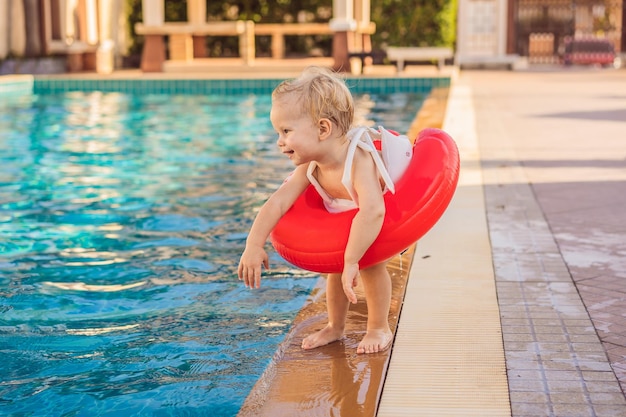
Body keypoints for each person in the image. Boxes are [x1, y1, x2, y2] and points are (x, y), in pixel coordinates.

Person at [238, 66, 408, 354]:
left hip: (379, 219)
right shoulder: (311, 167)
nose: (278, 141)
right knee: (334, 269)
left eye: (286, 131)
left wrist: (353, 258)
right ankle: (336, 326)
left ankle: (378, 327)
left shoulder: (358, 160)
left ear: (322, 128)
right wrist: (254, 244)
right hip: (344, 221)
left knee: (371, 266)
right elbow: (277, 202)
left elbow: (372, 211)